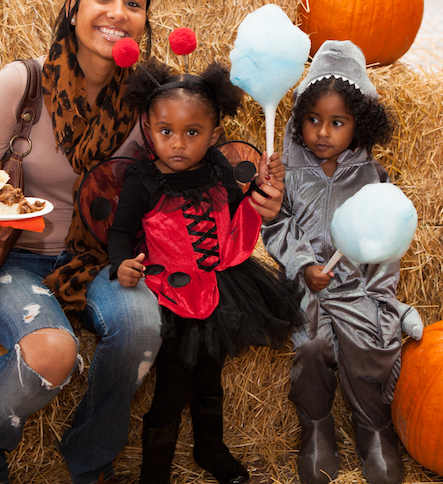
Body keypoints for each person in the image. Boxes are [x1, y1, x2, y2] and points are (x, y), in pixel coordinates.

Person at [0, 0, 278, 484]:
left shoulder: (148, 104)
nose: (117, 12)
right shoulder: (22, 84)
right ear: (74, 6)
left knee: (144, 324)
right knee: (53, 352)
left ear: (145, 21)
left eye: (134, 3)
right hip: (15, 256)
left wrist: (253, 197)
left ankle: (90, 459)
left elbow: (188, 172)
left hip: (102, 256)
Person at [105, 59, 301, 484]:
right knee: (172, 389)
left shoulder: (222, 176)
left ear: (213, 135)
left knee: (211, 381)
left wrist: (265, 186)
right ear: (148, 128)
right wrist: (121, 262)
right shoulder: (142, 183)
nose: (177, 143)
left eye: (192, 133)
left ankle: (211, 448)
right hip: (171, 294)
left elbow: (238, 216)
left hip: (220, 289)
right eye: (166, 131)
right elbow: (120, 232)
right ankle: (154, 470)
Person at [261, 40, 423, 484]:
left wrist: (378, 296)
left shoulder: (372, 176)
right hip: (304, 283)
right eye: (313, 120)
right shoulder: (287, 171)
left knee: (371, 341)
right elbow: (275, 226)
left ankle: (373, 428)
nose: (323, 133)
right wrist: (302, 265)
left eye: (337, 122)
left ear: (359, 124)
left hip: (356, 287)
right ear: (299, 120)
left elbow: (385, 244)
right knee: (311, 346)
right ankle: (316, 425)